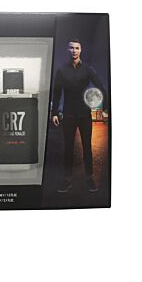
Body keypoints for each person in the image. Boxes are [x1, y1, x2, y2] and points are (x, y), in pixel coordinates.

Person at [52, 38, 108, 193]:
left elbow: (101, 87)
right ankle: (67, 180)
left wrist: (105, 108)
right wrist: (54, 113)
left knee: (87, 148)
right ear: (67, 50)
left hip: (84, 115)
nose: (74, 51)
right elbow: (57, 93)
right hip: (68, 115)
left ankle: (90, 178)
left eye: (77, 48)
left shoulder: (88, 70)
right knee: (68, 148)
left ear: (80, 50)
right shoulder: (61, 71)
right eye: (71, 48)